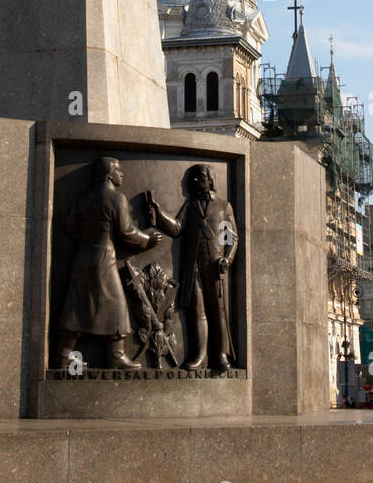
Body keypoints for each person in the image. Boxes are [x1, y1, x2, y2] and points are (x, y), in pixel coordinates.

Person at [55, 157, 161, 371]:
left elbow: (69, 227)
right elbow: (126, 232)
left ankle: (65, 355)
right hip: (105, 259)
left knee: (77, 305)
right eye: (118, 170)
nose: (121, 174)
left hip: (83, 257)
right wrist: (148, 240)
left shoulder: (84, 199)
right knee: (116, 304)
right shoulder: (116, 198)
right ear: (108, 174)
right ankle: (116, 356)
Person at [153, 164, 238, 372]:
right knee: (198, 312)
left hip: (215, 267)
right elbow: (177, 228)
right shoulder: (190, 206)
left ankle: (220, 356)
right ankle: (200, 356)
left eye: (200, 177)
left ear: (210, 180)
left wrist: (227, 259)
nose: (195, 182)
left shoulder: (223, 206)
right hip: (194, 269)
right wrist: (158, 214)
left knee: (218, 312)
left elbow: (231, 238)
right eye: (194, 178)